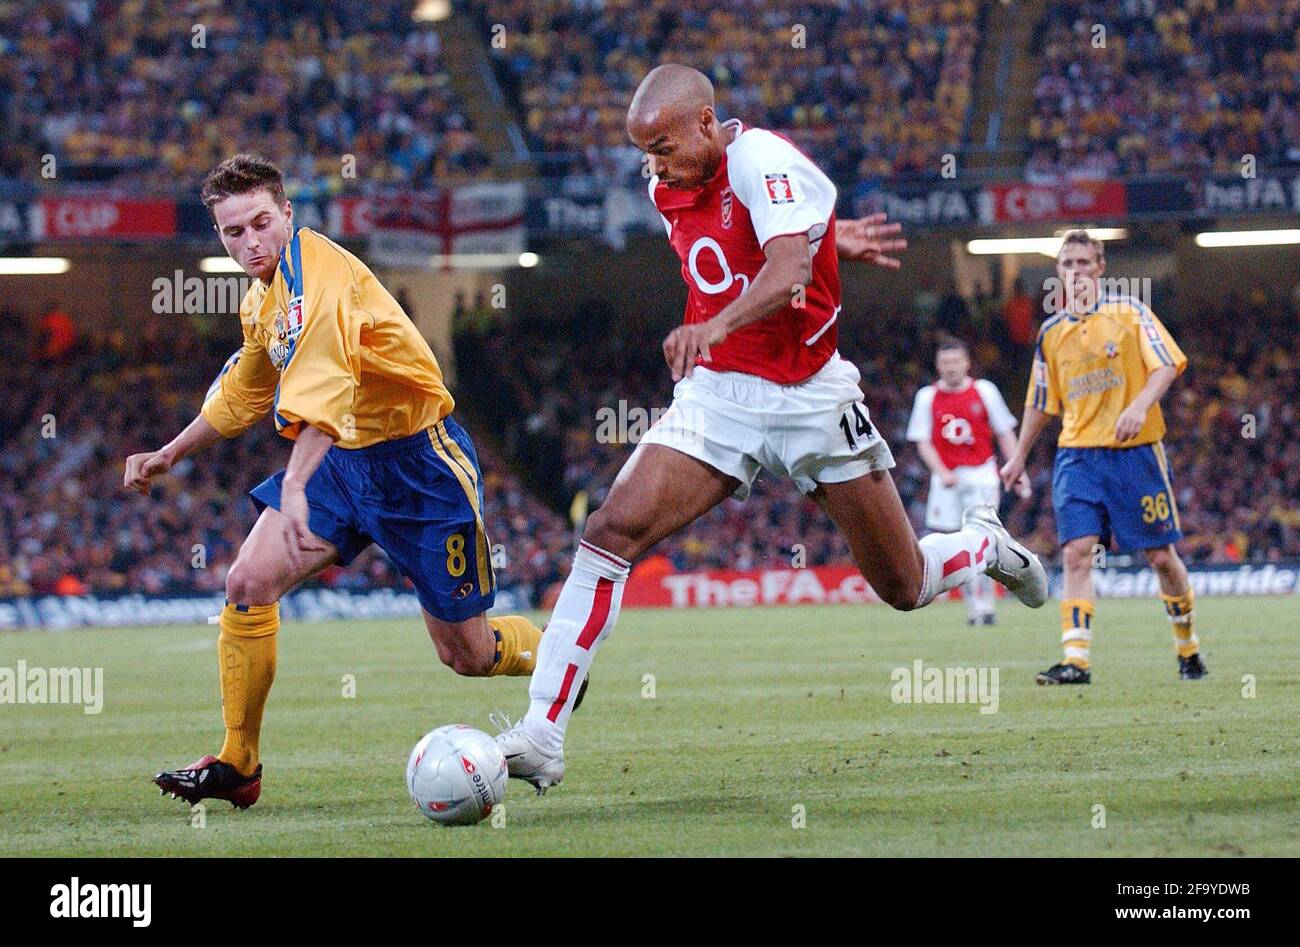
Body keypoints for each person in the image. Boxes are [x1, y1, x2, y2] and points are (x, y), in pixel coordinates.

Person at [492, 65, 1048, 794]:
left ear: (704, 122)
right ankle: (543, 733)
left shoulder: (766, 160)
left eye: (662, 146)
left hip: (811, 395)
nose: (653, 166)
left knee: (905, 584)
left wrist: (727, 312)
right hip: (719, 393)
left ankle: (983, 544)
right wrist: (824, 244)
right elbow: (757, 246)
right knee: (609, 530)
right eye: (645, 152)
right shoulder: (669, 185)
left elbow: (787, 269)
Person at [124, 154, 567, 810]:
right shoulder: (262, 300)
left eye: (261, 223)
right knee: (246, 582)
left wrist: (297, 483)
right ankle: (238, 762)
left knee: (468, 655)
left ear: (289, 215)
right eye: (233, 233)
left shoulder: (321, 278)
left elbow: (324, 394)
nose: (251, 243)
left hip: (419, 466)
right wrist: (170, 450)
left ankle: (559, 661)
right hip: (341, 465)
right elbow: (244, 391)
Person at [1000, 230, 1207, 684]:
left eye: (1082, 263)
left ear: (1099, 268)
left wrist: (1138, 406)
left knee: (1160, 557)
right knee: (1076, 553)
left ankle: (1187, 646)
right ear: (1058, 272)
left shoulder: (1129, 312)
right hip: (1077, 457)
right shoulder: (1051, 332)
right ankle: (1076, 661)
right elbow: (1040, 401)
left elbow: (1167, 364)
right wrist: (1017, 456)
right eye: (1066, 264)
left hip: (1136, 456)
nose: (1074, 271)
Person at [906, 337, 1029, 626]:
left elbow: (1004, 432)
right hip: (946, 478)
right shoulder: (927, 396)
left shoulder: (984, 391)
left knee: (980, 539)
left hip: (981, 475)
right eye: (945, 363)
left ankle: (987, 606)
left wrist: (1017, 469)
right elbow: (922, 442)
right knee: (951, 542)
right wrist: (942, 471)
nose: (951, 368)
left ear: (967, 363)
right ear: (938, 366)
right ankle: (973, 607)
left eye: (956, 361)